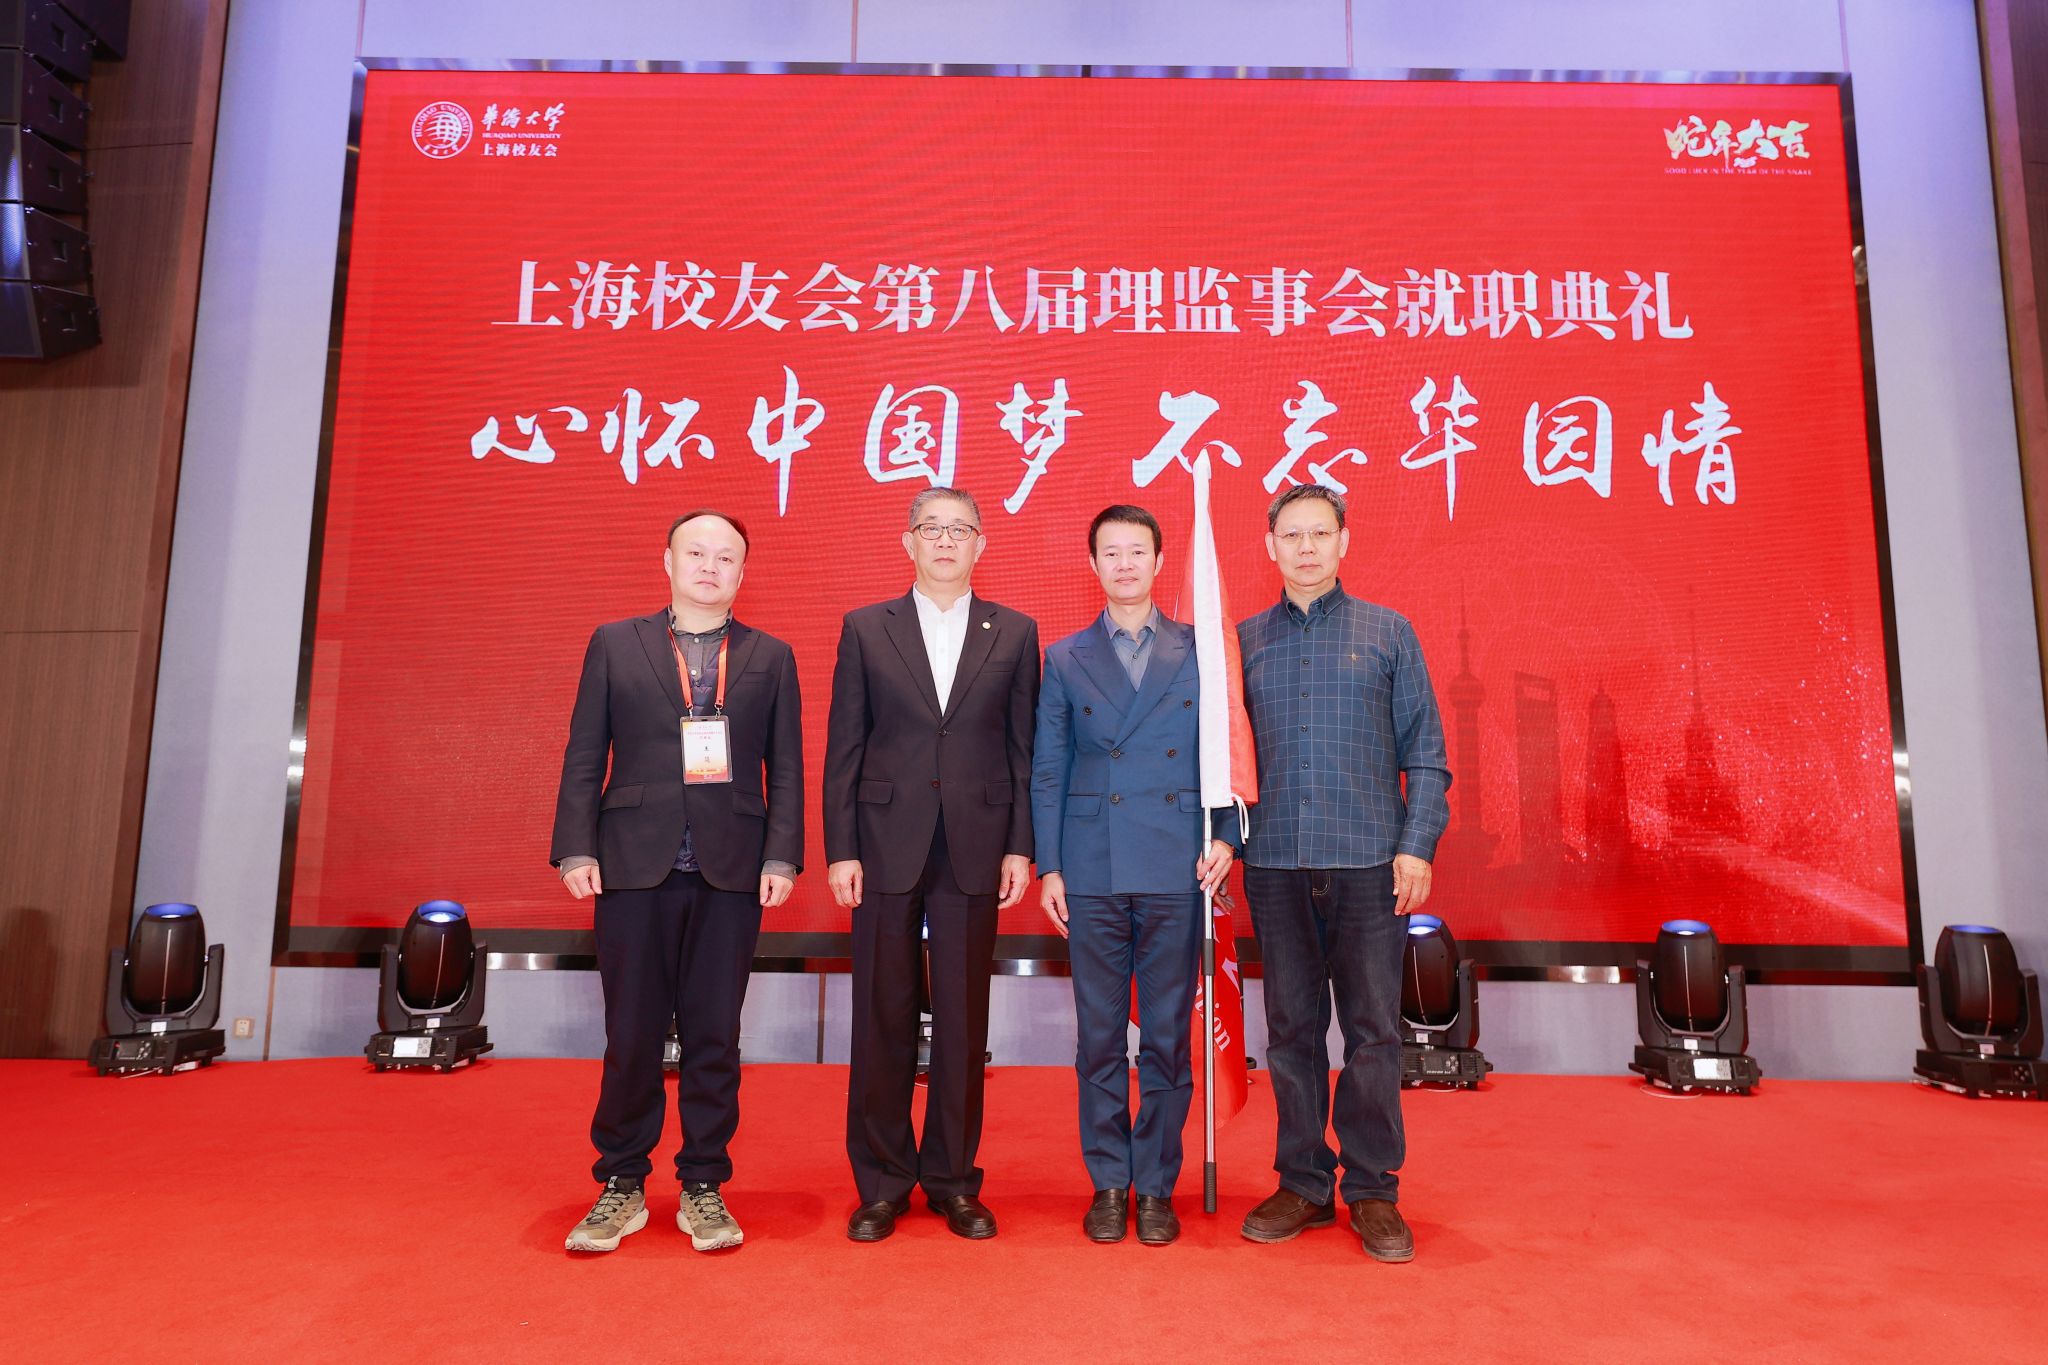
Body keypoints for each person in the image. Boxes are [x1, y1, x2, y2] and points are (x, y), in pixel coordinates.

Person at [550, 509, 803, 1254]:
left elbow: (787, 765)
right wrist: (574, 848)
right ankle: (621, 1182)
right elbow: (584, 752)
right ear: (667, 560)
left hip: (731, 869)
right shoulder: (614, 642)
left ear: (742, 572)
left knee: (714, 1035)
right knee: (631, 1034)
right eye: (697, 552)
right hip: (631, 864)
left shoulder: (770, 654)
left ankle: (703, 1184)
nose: (710, 566)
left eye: (726, 557)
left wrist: (781, 857)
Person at [1235, 484, 1451, 1264]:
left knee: (1372, 1033)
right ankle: (1303, 1180)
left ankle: (1372, 1188)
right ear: (1270, 546)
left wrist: (1417, 845)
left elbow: (1427, 752)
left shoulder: (1389, 632)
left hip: (1369, 865)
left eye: (1319, 533)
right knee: (1290, 1032)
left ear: (1343, 542)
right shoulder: (1243, 641)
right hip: (1275, 864)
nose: (1305, 547)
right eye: (1291, 535)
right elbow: (1222, 762)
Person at [824, 486, 1039, 1243]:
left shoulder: (1014, 632)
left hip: (976, 843)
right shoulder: (866, 627)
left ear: (981, 544)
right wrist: (841, 848)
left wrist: (1021, 845)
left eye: (960, 530)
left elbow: (1023, 751)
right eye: (932, 528)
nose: (946, 541)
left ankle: (952, 1180)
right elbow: (844, 746)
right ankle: (883, 1181)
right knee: (880, 1013)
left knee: (961, 1018)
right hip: (884, 841)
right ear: (908, 541)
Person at [1031, 504, 1237, 1246]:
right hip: (1091, 866)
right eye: (1111, 552)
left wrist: (1226, 837)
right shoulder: (1064, 657)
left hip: (1178, 863)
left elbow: (1226, 753)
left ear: (1158, 561)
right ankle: (1109, 1182)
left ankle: (1155, 1184)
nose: (1124, 564)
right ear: (1093, 565)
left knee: (1167, 1037)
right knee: (1098, 1034)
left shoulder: (1201, 648)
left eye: (1137, 551)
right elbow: (1048, 768)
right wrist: (1050, 865)